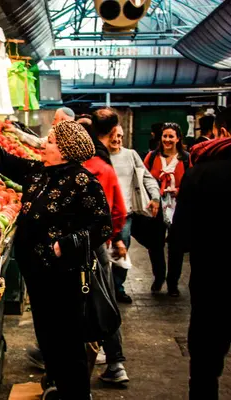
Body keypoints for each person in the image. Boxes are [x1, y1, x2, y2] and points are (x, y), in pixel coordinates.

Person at [0, 112, 112, 400]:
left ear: (66, 150)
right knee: (48, 338)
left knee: (68, 342)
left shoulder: (84, 183)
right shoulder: (38, 172)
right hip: (37, 274)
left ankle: (76, 394)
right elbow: (0, 159)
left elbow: (103, 225)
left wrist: (66, 245)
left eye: (52, 140)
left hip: (64, 277)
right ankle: (57, 387)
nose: (45, 142)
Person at [171, 107, 231, 399]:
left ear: (222, 132)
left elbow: (180, 237)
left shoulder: (200, 173)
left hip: (213, 284)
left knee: (206, 367)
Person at [80, 109, 129, 385]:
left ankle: (64, 365)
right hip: (98, 245)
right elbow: (119, 211)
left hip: (71, 246)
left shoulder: (76, 167)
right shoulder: (105, 167)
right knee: (106, 302)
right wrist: (115, 234)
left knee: (73, 303)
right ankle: (115, 363)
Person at [108, 125, 161, 301]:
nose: (117, 140)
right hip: (102, 214)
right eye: (114, 136)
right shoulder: (99, 156)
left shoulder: (130, 155)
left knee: (121, 251)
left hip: (125, 215)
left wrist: (155, 197)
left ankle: (118, 288)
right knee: (100, 255)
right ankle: (100, 289)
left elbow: (147, 177)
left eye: (120, 136)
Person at [143, 122, 189, 297]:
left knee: (176, 245)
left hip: (178, 206)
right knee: (155, 244)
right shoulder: (152, 157)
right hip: (156, 206)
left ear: (178, 138)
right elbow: (143, 178)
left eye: (171, 136)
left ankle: (173, 282)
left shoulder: (186, 158)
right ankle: (159, 277)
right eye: (165, 136)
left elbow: (191, 181)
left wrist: (179, 190)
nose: (167, 140)